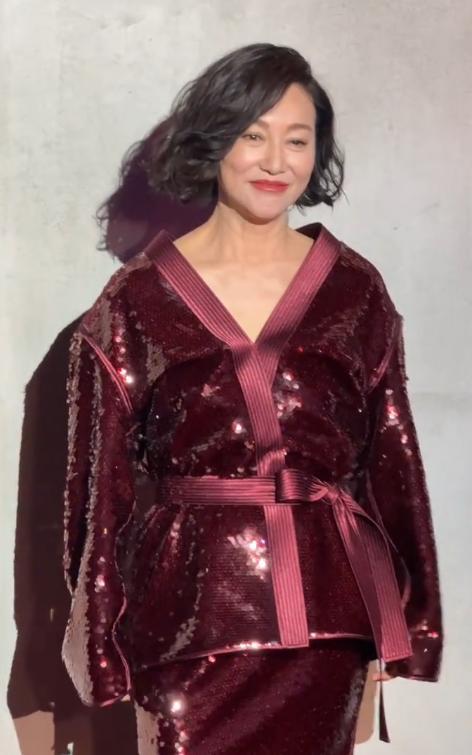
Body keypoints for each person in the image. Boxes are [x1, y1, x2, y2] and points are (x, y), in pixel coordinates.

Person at [61, 43, 443, 755]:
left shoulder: (355, 288)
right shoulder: (136, 299)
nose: (276, 161)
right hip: (187, 623)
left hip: (328, 623)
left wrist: (411, 615)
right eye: (253, 135)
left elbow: (393, 458)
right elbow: (99, 486)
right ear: (214, 141)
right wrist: (100, 640)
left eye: (297, 140)